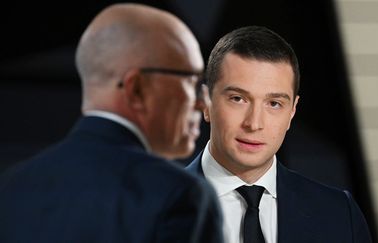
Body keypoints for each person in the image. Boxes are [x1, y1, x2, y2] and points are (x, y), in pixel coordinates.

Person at [0, 3, 223, 243]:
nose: (202, 103)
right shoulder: (179, 195)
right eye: (191, 81)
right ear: (136, 89)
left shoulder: (12, 187)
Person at [186, 26, 372, 243]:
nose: (254, 123)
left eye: (274, 104)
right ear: (206, 102)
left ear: (292, 111)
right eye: (238, 99)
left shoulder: (339, 213)